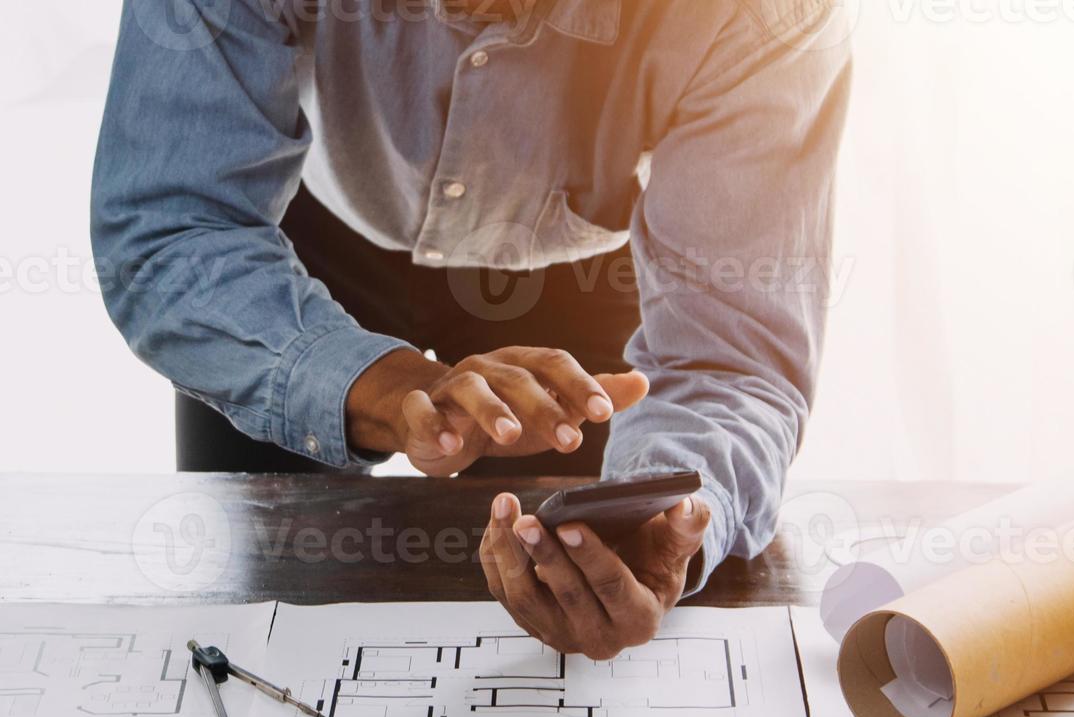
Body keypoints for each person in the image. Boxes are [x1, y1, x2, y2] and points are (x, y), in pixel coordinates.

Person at [93, 0, 850, 657]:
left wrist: (677, 517)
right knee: (258, 599)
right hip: (296, 255)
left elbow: (731, 358)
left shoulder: (763, 17)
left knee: (572, 600)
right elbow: (175, 225)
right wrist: (377, 382)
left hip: (576, 282)